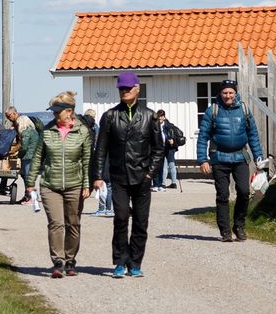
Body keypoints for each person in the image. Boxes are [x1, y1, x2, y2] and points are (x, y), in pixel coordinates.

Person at [90, 71, 163, 278]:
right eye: (121, 89)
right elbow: (100, 149)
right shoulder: (110, 116)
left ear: (137, 89)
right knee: (121, 217)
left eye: (128, 88)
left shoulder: (150, 116)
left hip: (142, 177)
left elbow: (158, 149)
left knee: (141, 221)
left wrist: (150, 174)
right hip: (119, 177)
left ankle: (135, 263)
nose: (124, 92)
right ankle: (120, 261)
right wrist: (97, 176)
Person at [197, 79, 265, 243]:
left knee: (243, 192)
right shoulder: (212, 111)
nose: (228, 96)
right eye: (225, 92)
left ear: (235, 93)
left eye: (231, 93)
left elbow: (253, 136)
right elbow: (203, 137)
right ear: (220, 93)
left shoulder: (244, 110)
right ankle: (225, 231)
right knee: (223, 195)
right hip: (219, 158)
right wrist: (202, 160)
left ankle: (239, 226)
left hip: (240, 157)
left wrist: (259, 158)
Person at [32, 93, 91, 278]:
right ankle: (58, 261)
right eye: (54, 112)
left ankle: (70, 259)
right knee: (56, 224)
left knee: (73, 224)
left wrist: (86, 184)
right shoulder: (47, 131)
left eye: (58, 112)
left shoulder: (83, 131)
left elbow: (87, 160)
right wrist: (29, 183)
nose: (55, 116)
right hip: (50, 184)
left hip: (75, 184)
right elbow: (37, 158)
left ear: (69, 112)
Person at [16, 107, 42, 203]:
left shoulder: (26, 132)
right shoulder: (34, 131)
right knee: (29, 178)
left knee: (28, 178)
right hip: (34, 156)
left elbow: (24, 147)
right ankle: (28, 196)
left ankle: (32, 198)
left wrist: (18, 155)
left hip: (28, 157)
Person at [154, 109, 184, 191]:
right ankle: (164, 183)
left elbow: (174, 134)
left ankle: (171, 183)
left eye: (161, 117)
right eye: (159, 117)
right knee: (165, 164)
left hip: (170, 147)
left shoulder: (169, 125)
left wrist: (172, 140)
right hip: (162, 147)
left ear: (164, 117)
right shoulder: (157, 125)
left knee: (170, 164)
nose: (160, 118)